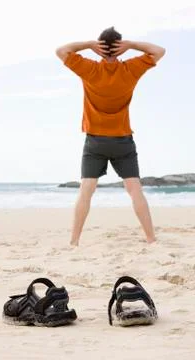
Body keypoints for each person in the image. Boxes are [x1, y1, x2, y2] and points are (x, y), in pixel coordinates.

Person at [56, 27, 165, 246]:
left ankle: (74, 241)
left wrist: (88, 44)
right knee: (135, 190)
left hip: (95, 140)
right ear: (119, 48)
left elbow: (62, 51)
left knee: (86, 190)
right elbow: (159, 51)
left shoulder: (89, 69)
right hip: (122, 140)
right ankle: (151, 239)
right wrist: (131, 45)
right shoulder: (130, 69)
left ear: (100, 48)